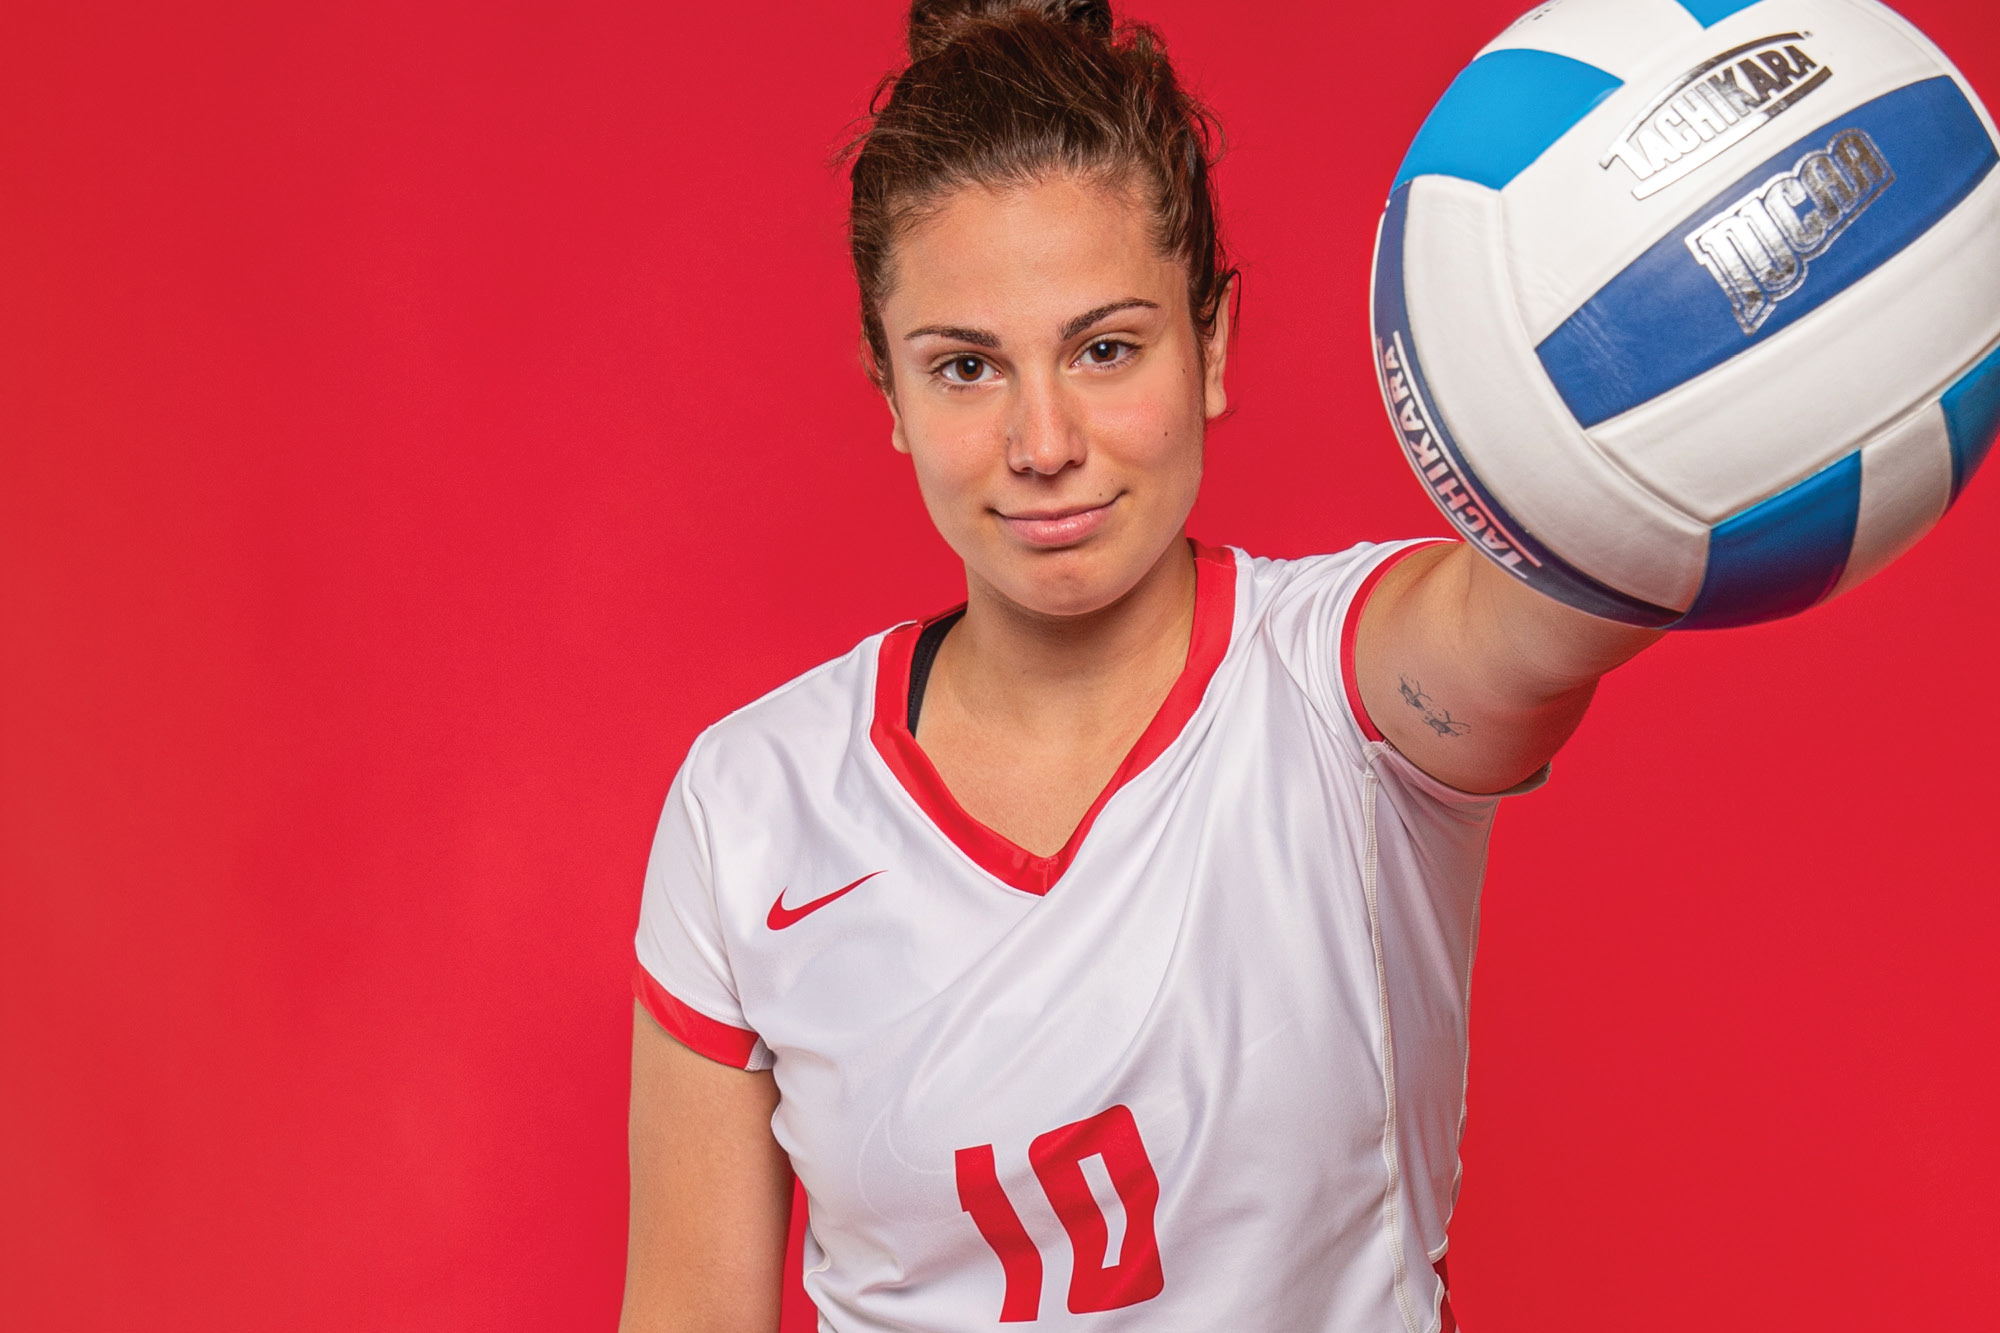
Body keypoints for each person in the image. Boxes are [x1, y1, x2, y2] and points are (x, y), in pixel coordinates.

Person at [620, 1, 1661, 1328]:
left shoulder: (1349, 690)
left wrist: (1714, 334)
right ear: (887, 391)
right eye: (965, 367)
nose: (1043, 438)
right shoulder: (749, 805)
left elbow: (1575, 586)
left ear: (1211, 342)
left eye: (1106, 348)